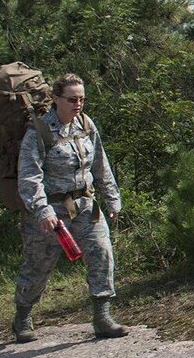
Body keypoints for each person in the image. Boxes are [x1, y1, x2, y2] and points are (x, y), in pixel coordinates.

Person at [13, 73, 126, 342]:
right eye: (72, 99)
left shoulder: (86, 125)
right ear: (55, 99)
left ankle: (102, 315)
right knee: (38, 266)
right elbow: (30, 176)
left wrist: (112, 198)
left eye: (82, 99)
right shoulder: (38, 131)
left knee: (101, 251)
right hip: (51, 213)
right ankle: (22, 316)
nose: (78, 104)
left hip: (85, 205)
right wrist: (42, 210)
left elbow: (100, 163)